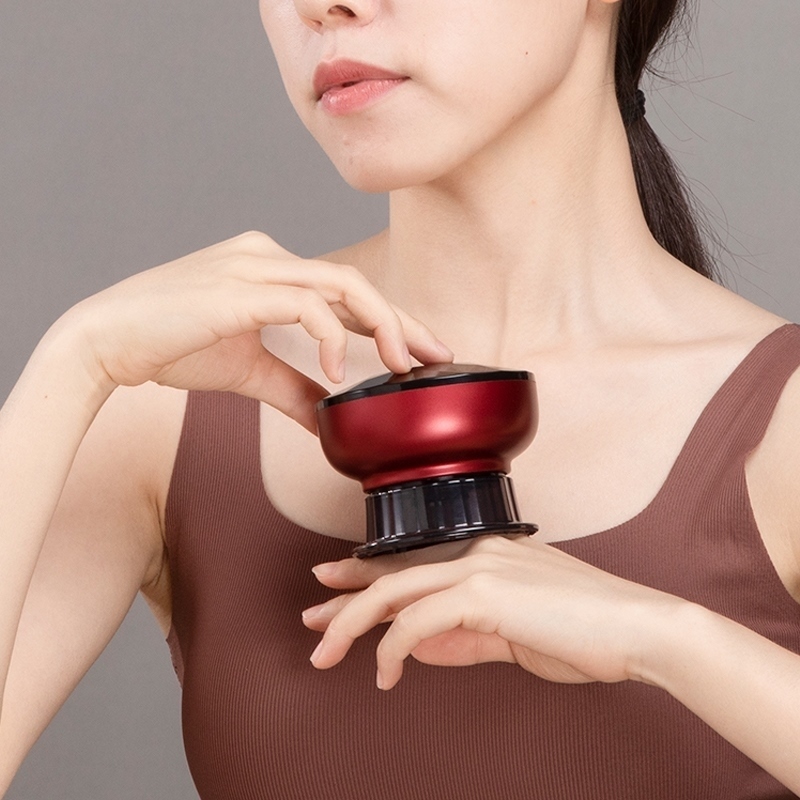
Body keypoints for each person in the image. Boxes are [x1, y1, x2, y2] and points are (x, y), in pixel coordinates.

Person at [1, 0, 799, 797]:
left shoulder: (781, 420)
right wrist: (74, 363)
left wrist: (668, 642)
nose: (322, 5)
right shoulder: (171, 399)